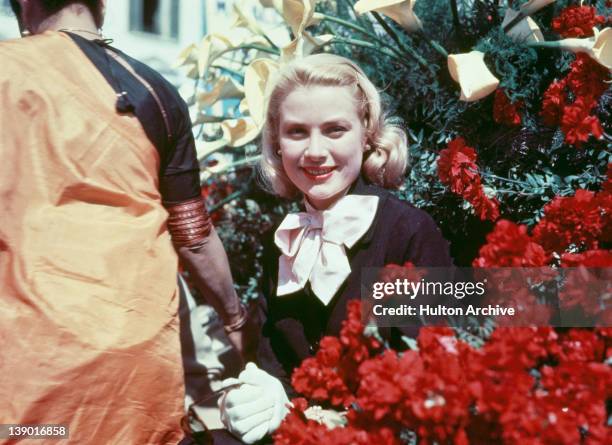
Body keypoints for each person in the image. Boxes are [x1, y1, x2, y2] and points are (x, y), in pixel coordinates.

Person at [0, 1, 254, 443]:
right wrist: (236, 321)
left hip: (29, 367)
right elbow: (193, 237)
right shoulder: (152, 89)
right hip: (133, 374)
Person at [211, 54, 453, 444]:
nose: (314, 151)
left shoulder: (408, 232)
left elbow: (429, 372)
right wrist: (256, 396)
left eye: (334, 130)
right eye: (296, 132)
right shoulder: (281, 240)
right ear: (276, 143)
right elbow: (276, 363)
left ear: (367, 134)